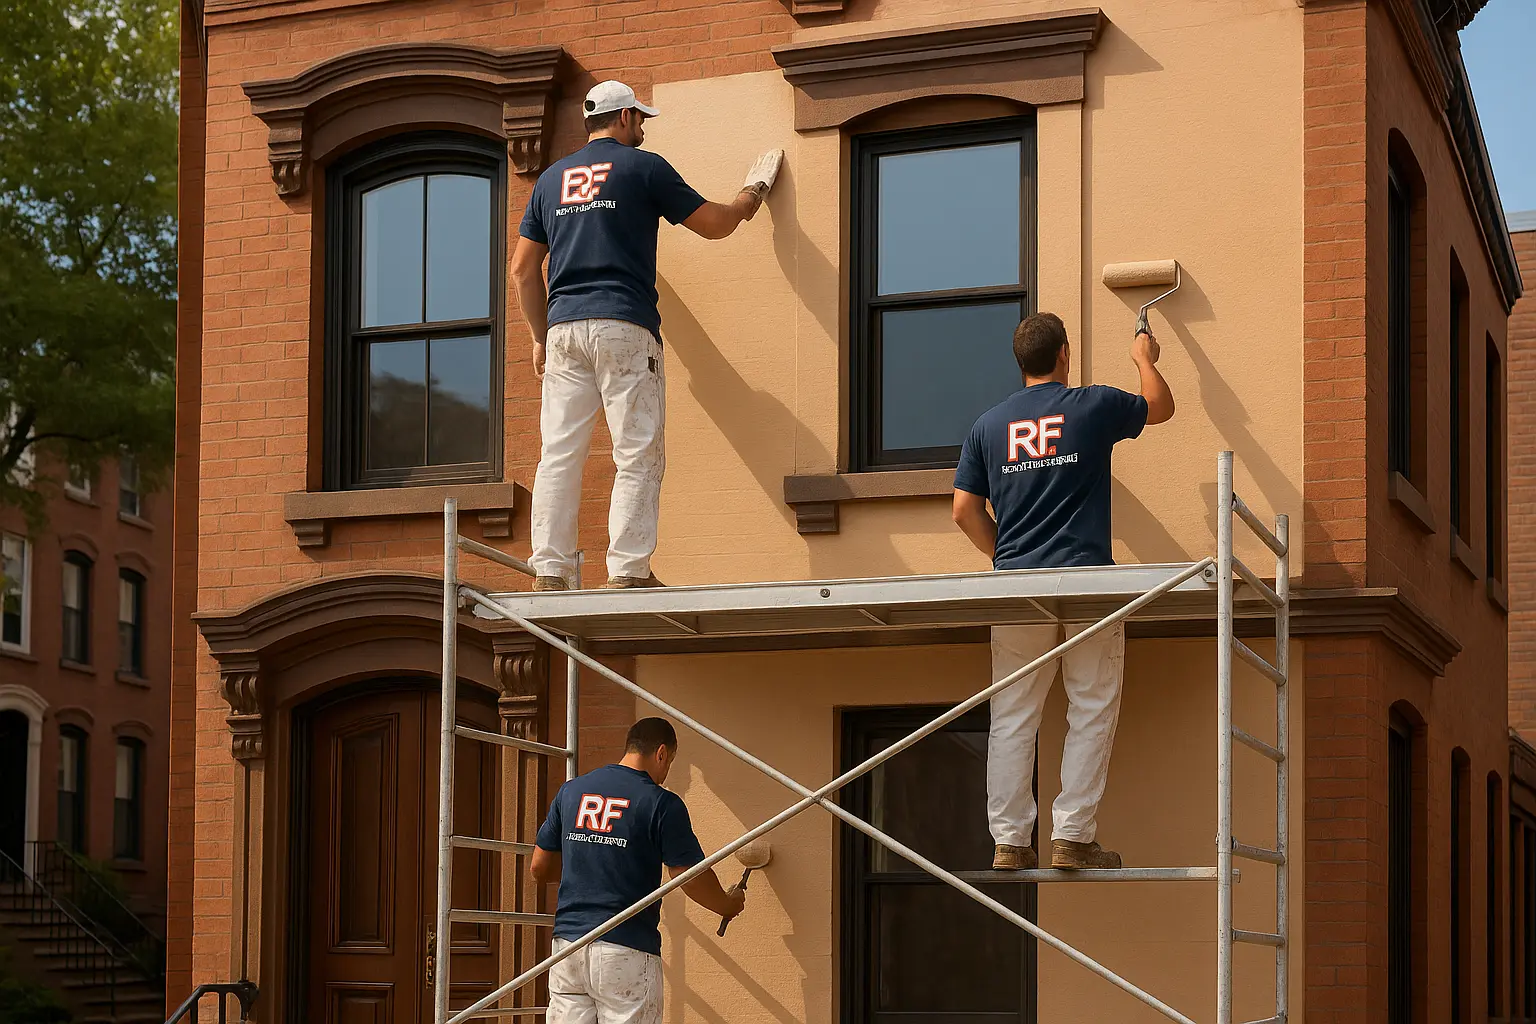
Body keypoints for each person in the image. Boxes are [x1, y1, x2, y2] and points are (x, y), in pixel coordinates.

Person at [513, 80, 783, 591]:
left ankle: (548, 570)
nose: (643, 128)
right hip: (624, 326)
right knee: (637, 451)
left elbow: (523, 271)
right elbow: (716, 225)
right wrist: (752, 195)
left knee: (559, 454)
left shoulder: (549, 181)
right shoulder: (644, 168)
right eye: (640, 118)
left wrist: (540, 336)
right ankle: (628, 571)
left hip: (564, 329)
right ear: (625, 117)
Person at [952, 312, 1175, 871]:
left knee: (1012, 713)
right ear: (1064, 354)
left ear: (1020, 363)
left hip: (1017, 587)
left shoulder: (987, 426)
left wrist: (1005, 557)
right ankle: (1072, 837)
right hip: (1086, 581)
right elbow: (1160, 406)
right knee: (1091, 704)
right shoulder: (1092, 405)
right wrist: (1143, 359)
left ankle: (1009, 841)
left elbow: (963, 510)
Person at [532, 717, 746, 1024]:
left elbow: (539, 868)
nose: (666, 772)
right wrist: (727, 904)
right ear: (661, 753)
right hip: (625, 949)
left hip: (568, 948)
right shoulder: (660, 803)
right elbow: (689, 876)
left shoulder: (571, 791)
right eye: (669, 762)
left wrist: (587, 866)